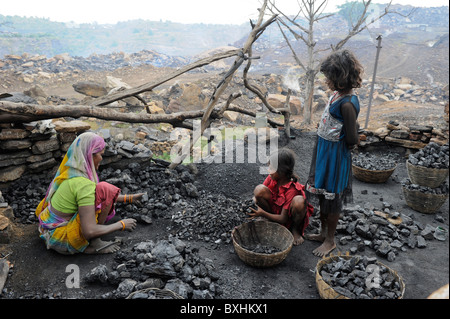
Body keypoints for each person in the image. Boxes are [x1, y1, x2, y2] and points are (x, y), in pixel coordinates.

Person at [35, 132, 144, 255]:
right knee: (106, 190)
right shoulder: (84, 185)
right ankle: (93, 245)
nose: (101, 159)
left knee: (102, 191)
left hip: (47, 227)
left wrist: (129, 198)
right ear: (90, 155)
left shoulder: (72, 172)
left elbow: (90, 197)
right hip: (60, 238)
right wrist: (121, 225)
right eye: (100, 155)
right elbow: (89, 231)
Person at [305, 49, 363, 257]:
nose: (326, 81)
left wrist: (348, 144)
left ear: (340, 79)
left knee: (333, 198)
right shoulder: (338, 95)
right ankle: (322, 233)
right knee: (323, 194)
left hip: (335, 157)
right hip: (325, 151)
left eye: (329, 77)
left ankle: (330, 240)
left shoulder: (347, 104)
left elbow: (351, 137)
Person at [249, 148, 314, 245]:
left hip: (286, 218)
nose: (269, 171)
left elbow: (283, 218)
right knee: (259, 190)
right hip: (274, 211)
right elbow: (258, 195)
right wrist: (253, 203)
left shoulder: (292, 190)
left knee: (299, 201)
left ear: (281, 172)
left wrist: (262, 213)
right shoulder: (272, 178)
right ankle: (271, 219)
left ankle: (295, 230)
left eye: (271, 168)